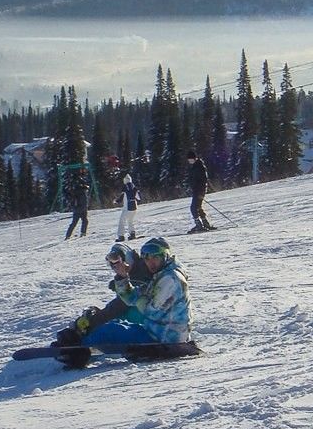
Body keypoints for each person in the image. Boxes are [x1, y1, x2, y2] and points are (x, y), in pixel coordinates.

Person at [51, 237, 200, 368]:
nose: (150, 262)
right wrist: (123, 278)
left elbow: (151, 310)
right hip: (159, 331)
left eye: (155, 257)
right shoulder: (160, 276)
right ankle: (83, 344)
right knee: (118, 325)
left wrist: (137, 299)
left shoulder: (171, 278)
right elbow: (132, 297)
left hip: (164, 337)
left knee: (110, 330)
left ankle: (77, 351)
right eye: (146, 258)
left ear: (165, 256)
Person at [186, 151, 215, 232]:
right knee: (198, 207)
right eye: (189, 160)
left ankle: (199, 225)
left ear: (195, 158)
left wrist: (199, 190)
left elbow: (203, 180)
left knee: (193, 208)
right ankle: (205, 223)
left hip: (199, 190)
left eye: (191, 159)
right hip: (196, 190)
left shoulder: (199, 166)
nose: (190, 161)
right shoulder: (194, 166)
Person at [114, 174, 140, 241]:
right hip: (134, 207)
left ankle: (121, 236)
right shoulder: (134, 187)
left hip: (127, 207)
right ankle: (132, 234)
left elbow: (121, 198)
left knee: (122, 221)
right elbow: (139, 198)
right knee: (130, 220)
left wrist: (116, 201)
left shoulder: (125, 187)